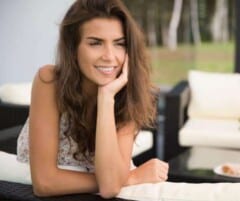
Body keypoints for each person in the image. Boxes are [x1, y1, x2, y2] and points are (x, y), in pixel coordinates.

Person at [16, 0, 168, 198]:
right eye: (95, 43)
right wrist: (129, 178)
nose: (109, 56)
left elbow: (111, 186)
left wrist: (106, 97)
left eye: (119, 44)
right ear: (73, 47)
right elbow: (45, 183)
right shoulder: (50, 81)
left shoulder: (128, 93)